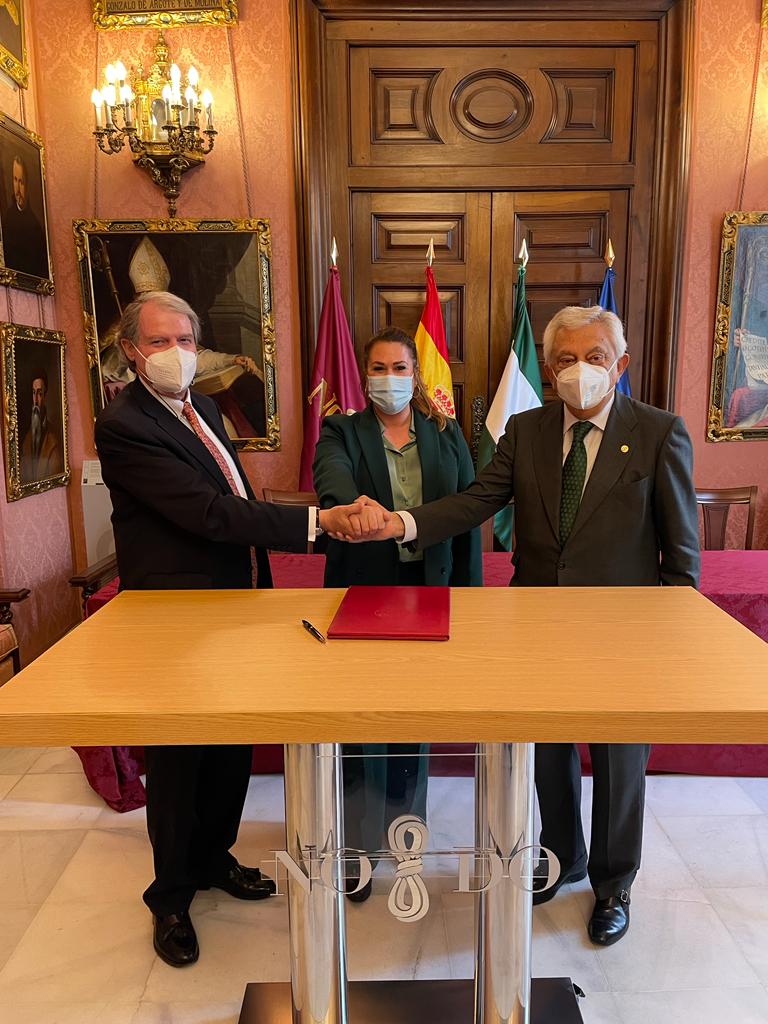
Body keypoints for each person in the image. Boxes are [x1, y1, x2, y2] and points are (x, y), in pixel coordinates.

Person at [347, 305, 700, 946]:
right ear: (550, 367)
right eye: (564, 358)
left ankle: (614, 884)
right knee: (549, 752)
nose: (578, 369)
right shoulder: (527, 428)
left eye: (594, 357)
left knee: (620, 762)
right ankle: (563, 857)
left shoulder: (658, 432)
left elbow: (681, 555)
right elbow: (478, 500)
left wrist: (670, 638)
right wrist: (404, 523)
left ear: (620, 364)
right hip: (538, 626)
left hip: (624, 637)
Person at [95, 290, 381, 968]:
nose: (177, 353)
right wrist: (320, 521)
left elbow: (239, 496)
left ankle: (213, 857)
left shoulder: (206, 407)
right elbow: (210, 513)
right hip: (173, 617)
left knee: (229, 744)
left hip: (233, 604)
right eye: (160, 341)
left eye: (186, 340)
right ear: (131, 350)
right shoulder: (125, 424)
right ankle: (170, 896)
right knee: (178, 757)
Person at [313, 326, 482, 901]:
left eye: (400, 368)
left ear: (416, 374)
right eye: (379, 368)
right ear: (365, 376)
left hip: (429, 592)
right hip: (364, 593)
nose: (390, 378)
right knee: (361, 720)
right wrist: (350, 506)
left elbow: (465, 512)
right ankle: (357, 846)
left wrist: (469, 596)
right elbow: (332, 478)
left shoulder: (445, 432)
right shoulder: (341, 429)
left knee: (412, 720)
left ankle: (404, 831)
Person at [2, 152, 48, 279]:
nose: (17, 188)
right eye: (15, 180)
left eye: (21, 182)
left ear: (28, 184)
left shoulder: (36, 226)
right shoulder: (7, 219)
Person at [20, 369, 64, 482]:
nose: (35, 401)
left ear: (45, 396)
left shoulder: (54, 438)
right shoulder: (26, 440)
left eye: (39, 394)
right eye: (33, 393)